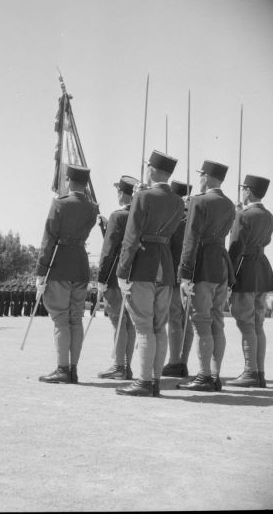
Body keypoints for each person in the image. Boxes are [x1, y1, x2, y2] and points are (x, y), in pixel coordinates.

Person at [116, 151, 184, 397]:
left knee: (144, 326)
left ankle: (144, 382)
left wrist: (122, 271)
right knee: (158, 327)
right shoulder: (178, 201)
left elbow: (131, 237)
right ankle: (154, 380)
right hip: (165, 267)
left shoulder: (143, 197)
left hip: (143, 266)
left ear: (152, 170)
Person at [176, 160, 236, 392]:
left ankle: (204, 376)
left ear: (208, 177)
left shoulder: (199, 201)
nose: (199, 178)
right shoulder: (230, 204)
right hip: (221, 264)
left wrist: (185, 274)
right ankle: (215, 375)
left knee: (201, 322)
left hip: (202, 266)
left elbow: (190, 240)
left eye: (201, 174)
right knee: (217, 322)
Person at [36, 164, 98, 384]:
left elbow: (48, 238)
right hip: (81, 265)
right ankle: (73, 369)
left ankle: (63, 368)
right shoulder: (93, 208)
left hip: (59, 265)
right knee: (75, 319)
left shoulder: (60, 204)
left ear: (69, 180)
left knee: (61, 320)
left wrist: (40, 272)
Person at [226, 175, 273, 388]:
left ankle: (250, 372)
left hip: (245, 269)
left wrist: (229, 276)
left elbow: (236, 247)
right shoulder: (268, 215)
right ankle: (259, 372)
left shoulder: (243, 216)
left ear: (247, 191)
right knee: (258, 324)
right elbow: (266, 240)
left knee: (246, 323)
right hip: (262, 270)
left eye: (243, 189)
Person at [96, 174, 138, 381]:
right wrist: (105, 227)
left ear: (122, 193)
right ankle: (126, 366)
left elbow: (109, 251)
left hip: (115, 277)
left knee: (118, 322)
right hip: (137, 276)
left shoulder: (118, 216)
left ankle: (119, 366)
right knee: (129, 323)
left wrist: (101, 279)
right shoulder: (139, 215)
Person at [162, 181, 194, 378]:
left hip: (174, 275)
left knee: (175, 319)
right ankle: (182, 361)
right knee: (186, 321)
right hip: (190, 275)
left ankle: (175, 362)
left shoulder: (174, 218)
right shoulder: (194, 217)